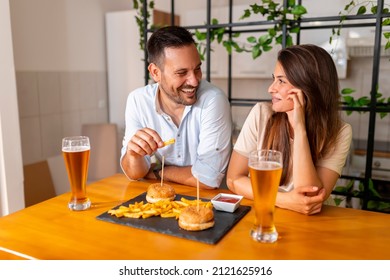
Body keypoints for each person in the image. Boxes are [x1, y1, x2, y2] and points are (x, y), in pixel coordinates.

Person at [226, 44, 352, 215]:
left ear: (308, 87)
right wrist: (285, 200)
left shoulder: (340, 132)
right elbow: (233, 180)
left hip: (309, 225)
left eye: (281, 81)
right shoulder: (261, 114)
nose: (271, 88)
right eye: (274, 79)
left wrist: (299, 126)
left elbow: (310, 194)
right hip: (264, 213)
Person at [120, 26, 232, 189]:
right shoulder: (137, 101)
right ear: (155, 72)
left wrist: (157, 172)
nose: (194, 81)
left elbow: (208, 178)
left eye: (197, 69)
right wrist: (133, 155)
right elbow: (133, 174)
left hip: (209, 202)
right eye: (181, 73)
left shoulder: (213, 100)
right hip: (165, 200)